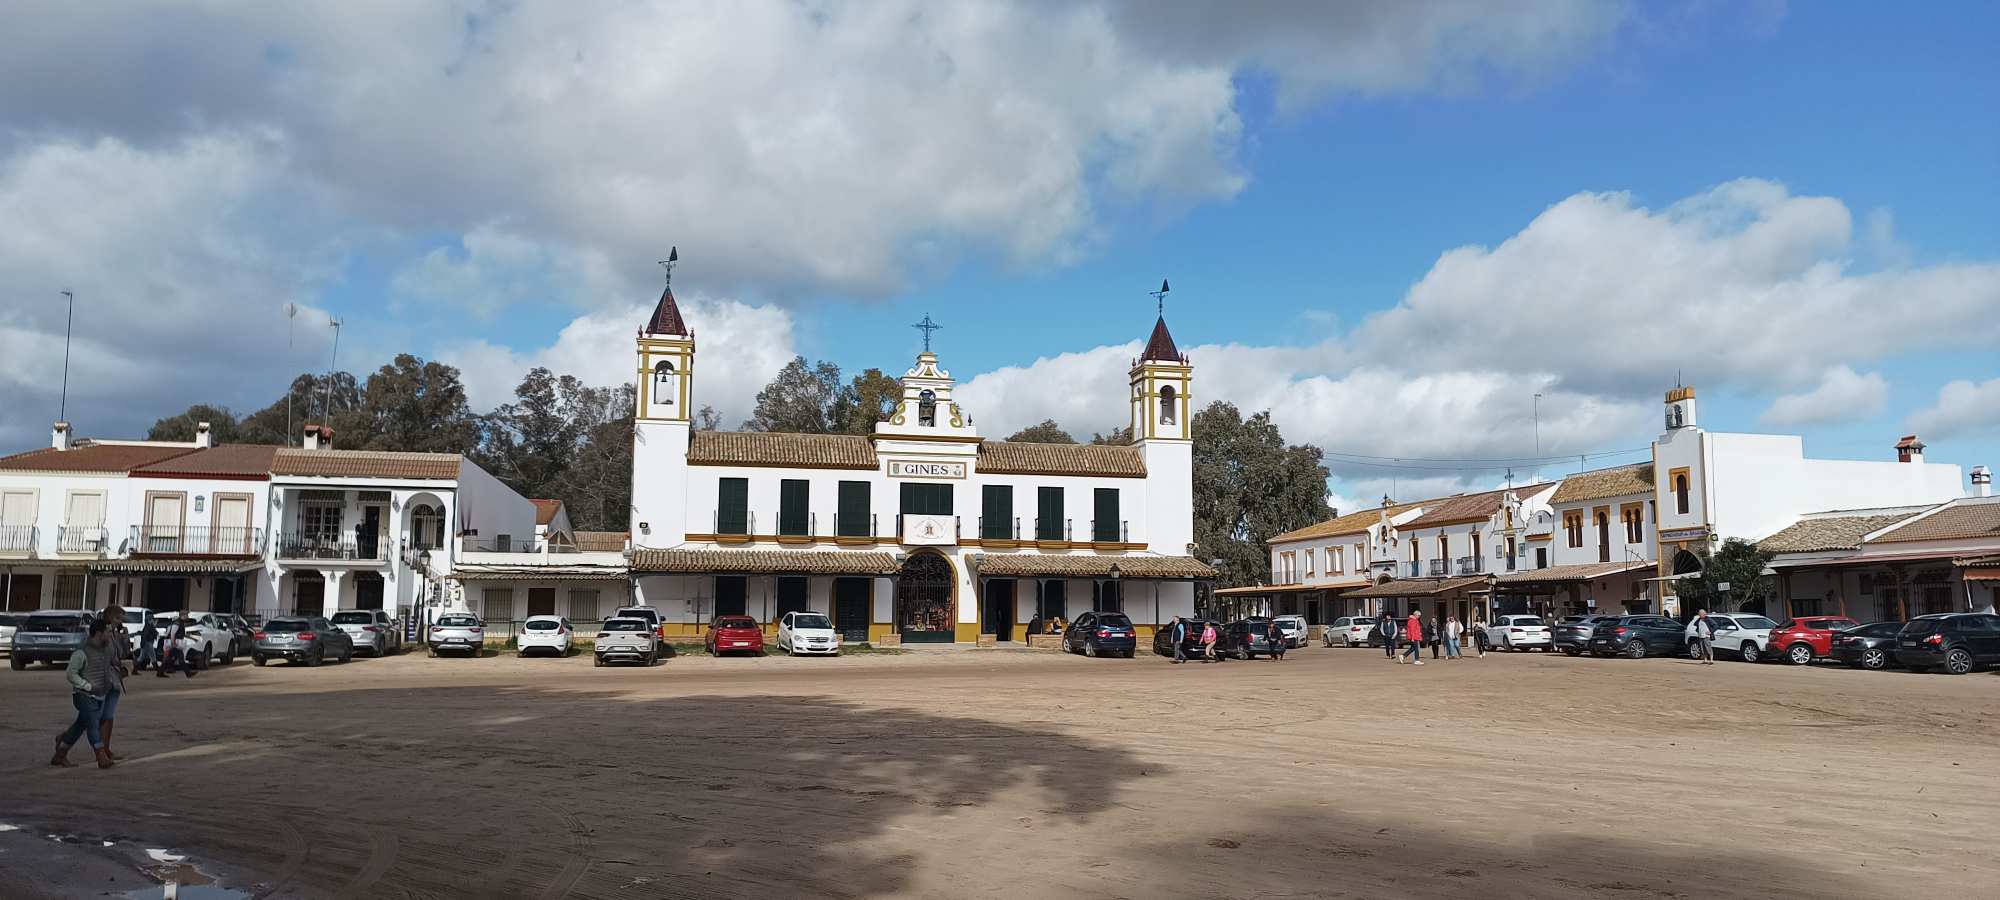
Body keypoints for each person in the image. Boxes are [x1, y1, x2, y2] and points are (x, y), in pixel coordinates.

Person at [53, 619, 120, 768]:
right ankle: (100, 755)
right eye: (108, 631)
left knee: (80, 725)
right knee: (93, 723)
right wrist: (86, 685)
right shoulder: (81, 652)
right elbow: (71, 674)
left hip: (101, 694)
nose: (111, 634)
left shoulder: (108, 647)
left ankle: (60, 752)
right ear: (98, 633)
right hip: (84, 695)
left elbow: (116, 659)